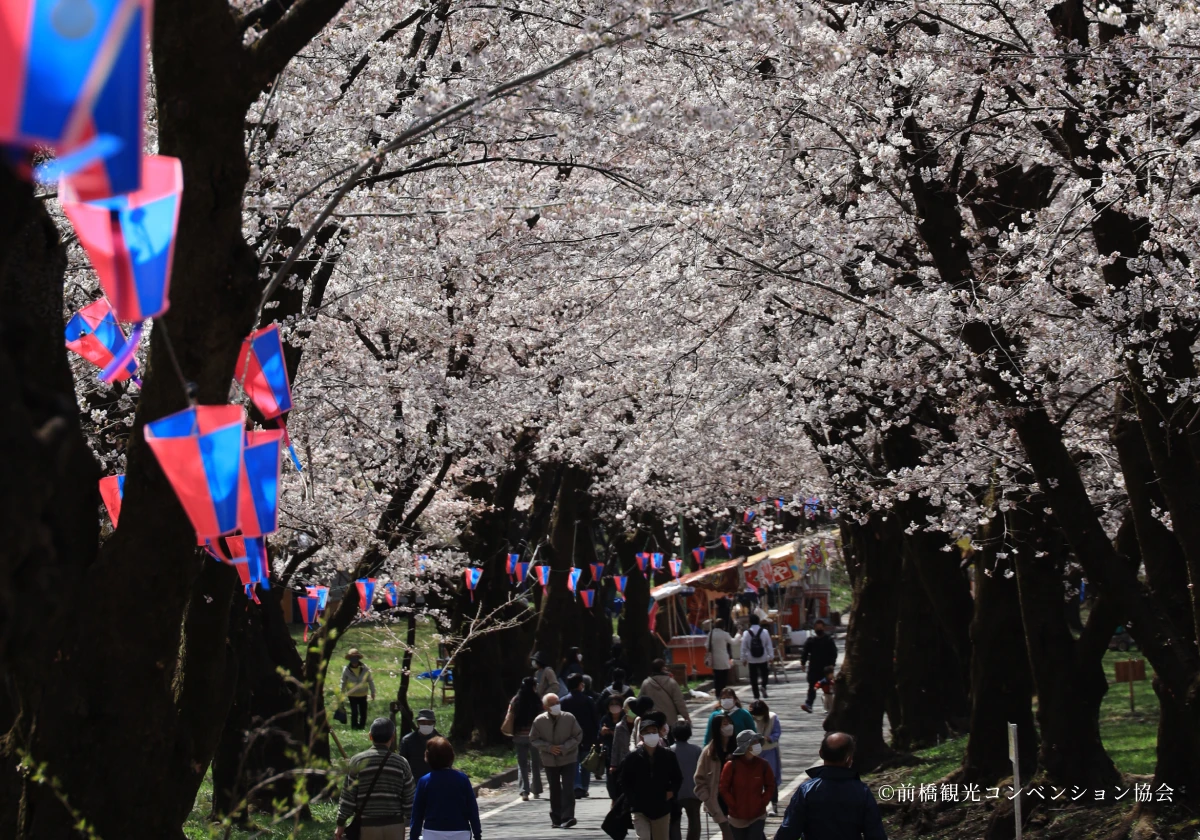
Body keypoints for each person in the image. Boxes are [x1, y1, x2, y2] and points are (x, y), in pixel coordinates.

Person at [774, 733, 887, 840]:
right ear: (849, 758)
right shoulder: (862, 791)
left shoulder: (806, 790)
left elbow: (788, 831)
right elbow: (875, 834)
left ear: (821, 753)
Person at [335, 717, 417, 840]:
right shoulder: (401, 763)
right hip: (394, 826)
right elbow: (410, 798)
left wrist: (341, 824)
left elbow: (348, 797)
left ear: (370, 736)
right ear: (392, 737)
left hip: (367, 826)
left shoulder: (357, 761)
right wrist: (412, 822)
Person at [621, 712, 683, 840]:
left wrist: (671, 792)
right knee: (643, 837)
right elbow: (624, 781)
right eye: (647, 732)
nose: (651, 734)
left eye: (654, 731)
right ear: (641, 736)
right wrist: (632, 799)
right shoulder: (632, 758)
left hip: (661, 808)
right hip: (639, 809)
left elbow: (678, 777)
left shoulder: (668, 756)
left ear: (659, 733)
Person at [410, 736, 482, 840]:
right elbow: (472, 810)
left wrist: (413, 837)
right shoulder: (462, 779)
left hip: (432, 833)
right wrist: (477, 835)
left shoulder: (424, 781)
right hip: (461, 832)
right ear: (451, 756)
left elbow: (417, 814)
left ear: (428, 758)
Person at [529, 692, 583, 828]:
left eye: (557, 702)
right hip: (549, 760)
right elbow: (533, 739)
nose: (556, 706)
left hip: (568, 758)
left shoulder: (569, 718)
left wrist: (564, 747)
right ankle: (556, 818)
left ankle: (568, 816)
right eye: (552, 704)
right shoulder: (539, 721)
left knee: (568, 787)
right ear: (545, 706)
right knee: (554, 788)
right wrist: (548, 747)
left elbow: (577, 736)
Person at [719, 731, 775, 840]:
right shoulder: (731, 765)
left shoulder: (763, 765)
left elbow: (771, 786)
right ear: (746, 746)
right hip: (737, 817)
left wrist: (762, 802)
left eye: (757, 741)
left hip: (758, 815)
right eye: (754, 742)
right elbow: (723, 788)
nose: (757, 744)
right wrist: (733, 805)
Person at [693, 711, 737, 840]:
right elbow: (699, 778)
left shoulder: (738, 749)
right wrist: (707, 798)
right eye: (725, 724)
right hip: (717, 799)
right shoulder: (708, 752)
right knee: (728, 832)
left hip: (737, 798)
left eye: (730, 723)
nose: (728, 726)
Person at [562, 673, 600, 798]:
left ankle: (576, 786)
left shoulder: (563, 701)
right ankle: (584, 787)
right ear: (580, 685)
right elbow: (595, 720)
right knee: (586, 762)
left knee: (573, 762)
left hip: (569, 736)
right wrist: (597, 736)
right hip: (587, 736)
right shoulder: (588, 700)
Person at [507, 677, 544, 801]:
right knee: (536, 763)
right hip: (534, 736)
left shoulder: (516, 700)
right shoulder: (537, 700)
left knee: (522, 764)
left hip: (519, 736)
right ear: (533, 687)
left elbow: (510, 715)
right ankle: (537, 790)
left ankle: (524, 791)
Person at [668, 721, 703, 840]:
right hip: (693, 792)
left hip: (674, 793)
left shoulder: (668, 751)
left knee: (674, 822)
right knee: (694, 822)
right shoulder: (697, 750)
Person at [748, 701, 782, 814]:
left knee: (770, 778)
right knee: (755, 779)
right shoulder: (750, 718)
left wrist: (769, 738)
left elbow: (777, 733)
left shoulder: (773, 717)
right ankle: (757, 805)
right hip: (754, 752)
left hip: (769, 750)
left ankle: (774, 804)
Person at [639, 659, 691, 725]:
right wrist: (686, 716)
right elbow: (679, 701)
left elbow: (639, 702)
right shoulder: (671, 682)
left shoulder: (646, 683)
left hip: (652, 722)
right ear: (663, 668)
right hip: (670, 720)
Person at [800, 621, 838, 713]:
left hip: (826, 669)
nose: (819, 630)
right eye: (817, 628)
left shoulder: (828, 640)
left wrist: (832, 665)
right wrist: (803, 663)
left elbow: (834, 653)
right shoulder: (811, 641)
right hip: (814, 668)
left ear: (824, 628)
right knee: (812, 687)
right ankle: (809, 704)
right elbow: (805, 652)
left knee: (829, 689)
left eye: (820, 628)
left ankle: (832, 707)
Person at [607, 696, 637, 802]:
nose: (632, 711)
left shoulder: (641, 724)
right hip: (623, 762)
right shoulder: (619, 726)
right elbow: (615, 747)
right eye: (629, 708)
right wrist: (613, 765)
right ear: (624, 709)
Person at [341, 649, 377, 730]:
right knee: (354, 712)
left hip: (363, 694)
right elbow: (343, 682)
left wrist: (373, 692)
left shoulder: (365, 668)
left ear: (358, 658)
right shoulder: (346, 669)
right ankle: (354, 727)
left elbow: (370, 680)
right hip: (352, 694)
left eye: (355, 658)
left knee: (363, 712)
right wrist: (341, 693)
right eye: (352, 658)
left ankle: (362, 727)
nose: (354, 660)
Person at [739, 617, 773, 701]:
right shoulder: (765, 632)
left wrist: (743, 659)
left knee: (753, 677)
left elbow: (743, 647)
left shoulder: (746, 633)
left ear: (749, 623)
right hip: (763, 657)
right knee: (765, 673)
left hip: (751, 658)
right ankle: (763, 686)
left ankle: (756, 695)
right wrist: (771, 656)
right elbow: (769, 645)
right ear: (759, 622)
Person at [401, 709, 439, 781]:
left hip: (435, 781)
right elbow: (402, 764)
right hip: (414, 782)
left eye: (429, 723)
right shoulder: (407, 740)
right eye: (423, 723)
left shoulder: (440, 740)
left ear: (434, 724)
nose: (425, 725)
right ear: (418, 723)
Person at [706, 619, 735, 694]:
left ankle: (718, 693)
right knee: (724, 677)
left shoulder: (711, 634)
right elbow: (733, 642)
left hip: (714, 658)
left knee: (717, 677)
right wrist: (738, 635)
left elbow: (706, 645)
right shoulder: (725, 634)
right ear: (723, 626)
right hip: (723, 658)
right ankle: (723, 692)